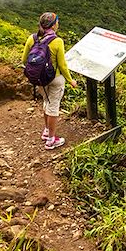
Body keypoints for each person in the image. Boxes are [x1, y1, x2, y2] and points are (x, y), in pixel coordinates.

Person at [21, 12, 78, 150]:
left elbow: (24, 60)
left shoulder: (32, 38)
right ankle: (51, 140)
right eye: (57, 22)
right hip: (55, 79)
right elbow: (62, 65)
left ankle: (46, 131)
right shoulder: (57, 41)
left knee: (46, 103)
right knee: (53, 108)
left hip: (40, 79)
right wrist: (71, 81)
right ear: (53, 25)